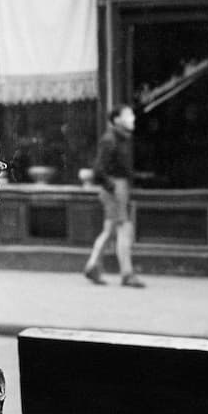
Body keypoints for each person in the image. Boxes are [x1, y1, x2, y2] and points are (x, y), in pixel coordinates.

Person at [84, 104, 145, 288]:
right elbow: (98, 170)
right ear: (117, 120)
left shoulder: (120, 139)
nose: (132, 118)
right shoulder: (110, 140)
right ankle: (127, 273)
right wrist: (114, 187)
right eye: (128, 115)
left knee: (110, 229)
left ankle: (93, 265)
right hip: (115, 188)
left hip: (117, 187)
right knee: (124, 228)